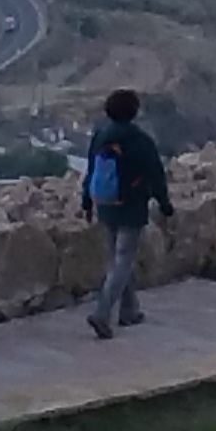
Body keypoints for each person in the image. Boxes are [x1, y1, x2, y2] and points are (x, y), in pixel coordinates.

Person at [78, 88, 174, 338]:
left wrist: (87, 202)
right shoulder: (141, 141)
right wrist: (165, 205)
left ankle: (129, 311)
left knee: (119, 260)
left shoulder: (100, 136)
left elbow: (91, 171)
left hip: (105, 205)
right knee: (123, 260)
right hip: (131, 207)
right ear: (134, 112)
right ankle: (102, 313)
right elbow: (156, 175)